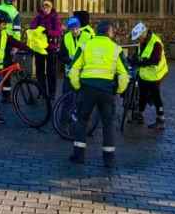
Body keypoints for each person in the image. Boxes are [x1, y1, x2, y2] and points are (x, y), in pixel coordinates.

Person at [68, 21, 129, 167]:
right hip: (106, 91)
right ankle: (109, 159)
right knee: (107, 123)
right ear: (109, 32)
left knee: (82, 121)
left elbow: (73, 69)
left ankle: (79, 156)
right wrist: (118, 90)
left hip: (87, 89)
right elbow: (124, 74)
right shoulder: (116, 48)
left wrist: (77, 87)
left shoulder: (85, 46)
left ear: (96, 32)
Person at [129, 22, 168, 130]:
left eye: (139, 38)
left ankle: (161, 119)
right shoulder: (142, 41)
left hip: (155, 75)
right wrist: (132, 60)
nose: (138, 40)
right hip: (144, 74)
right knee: (143, 94)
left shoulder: (156, 43)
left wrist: (140, 62)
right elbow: (138, 54)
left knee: (156, 97)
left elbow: (155, 60)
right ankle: (140, 114)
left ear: (144, 34)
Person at [30, 0, 62, 97]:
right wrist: (37, 30)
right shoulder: (38, 17)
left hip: (51, 47)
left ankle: (52, 93)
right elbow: (32, 27)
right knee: (39, 71)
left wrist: (48, 32)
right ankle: (42, 91)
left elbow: (58, 32)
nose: (46, 8)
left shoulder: (55, 18)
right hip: (39, 47)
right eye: (44, 6)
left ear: (51, 7)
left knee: (51, 71)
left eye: (48, 6)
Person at [59, 17, 87, 94]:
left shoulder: (88, 37)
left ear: (79, 27)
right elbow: (61, 55)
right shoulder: (66, 37)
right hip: (70, 72)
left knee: (82, 96)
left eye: (76, 28)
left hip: (83, 72)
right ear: (69, 29)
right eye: (72, 29)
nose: (74, 31)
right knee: (67, 97)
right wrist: (71, 62)